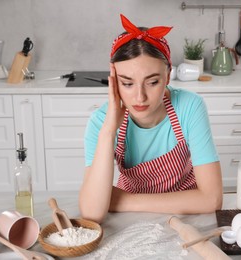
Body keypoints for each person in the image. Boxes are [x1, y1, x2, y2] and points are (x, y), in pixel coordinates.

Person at [79, 14, 223, 223]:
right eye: (127, 83)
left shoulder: (190, 107)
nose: (140, 97)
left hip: (187, 216)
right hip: (130, 221)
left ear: (167, 74)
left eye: (152, 82)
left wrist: (126, 201)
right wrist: (109, 131)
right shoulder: (101, 122)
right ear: (114, 82)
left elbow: (212, 199)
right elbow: (92, 213)